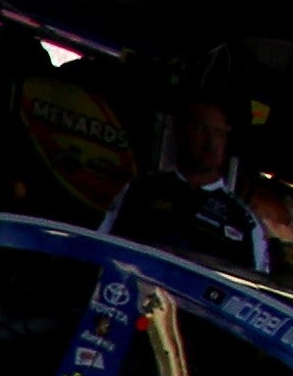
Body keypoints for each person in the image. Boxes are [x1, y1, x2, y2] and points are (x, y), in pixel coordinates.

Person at [106, 93, 274, 273]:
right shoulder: (141, 189)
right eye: (201, 130)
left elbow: (255, 290)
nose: (211, 142)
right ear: (179, 132)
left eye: (219, 134)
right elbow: (102, 246)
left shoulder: (244, 221)